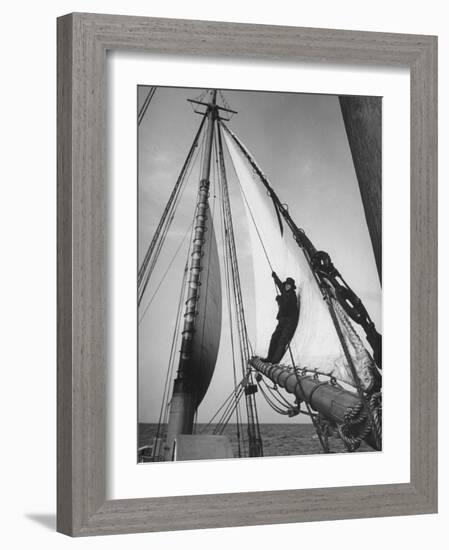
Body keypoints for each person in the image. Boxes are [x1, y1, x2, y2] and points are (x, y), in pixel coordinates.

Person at [262, 272, 300, 364]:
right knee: (274, 337)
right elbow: (279, 285)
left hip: (289, 322)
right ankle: (269, 357)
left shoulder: (292, 296)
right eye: (286, 285)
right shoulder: (284, 291)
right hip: (282, 321)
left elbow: (286, 306)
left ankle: (275, 361)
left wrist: (279, 300)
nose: (287, 286)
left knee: (282, 340)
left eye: (289, 285)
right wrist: (275, 277)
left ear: (291, 287)